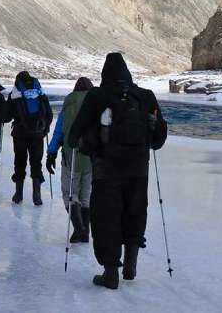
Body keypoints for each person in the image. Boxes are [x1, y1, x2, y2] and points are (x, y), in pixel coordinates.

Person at [68, 53, 167, 290]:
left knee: (106, 218)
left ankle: (111, 271)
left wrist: (82, 143)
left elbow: (74, 135)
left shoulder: (97, 96)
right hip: (138, 169)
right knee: (134, 212)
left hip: (106, 169)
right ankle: (131, 262)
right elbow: (158, 139)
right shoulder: (145, 96)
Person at [46, 77, 94, 243]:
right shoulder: (96, 103)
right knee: (86, 195)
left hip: (71, 155)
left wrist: (51, 153)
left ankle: (79, 229)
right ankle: (85, 231)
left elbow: (59, 132)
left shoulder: (68, 104)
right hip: (91, 157)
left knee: (70, 194)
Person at [4, 71, 53, 206]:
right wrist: (45, 129)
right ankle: (36, 194)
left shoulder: (15, 95)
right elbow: (49, 114)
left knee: (20, 162)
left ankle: (18, 194)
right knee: (36, 162)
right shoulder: (41, 94)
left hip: (20, 134)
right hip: (37, 135)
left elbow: (7, 116)